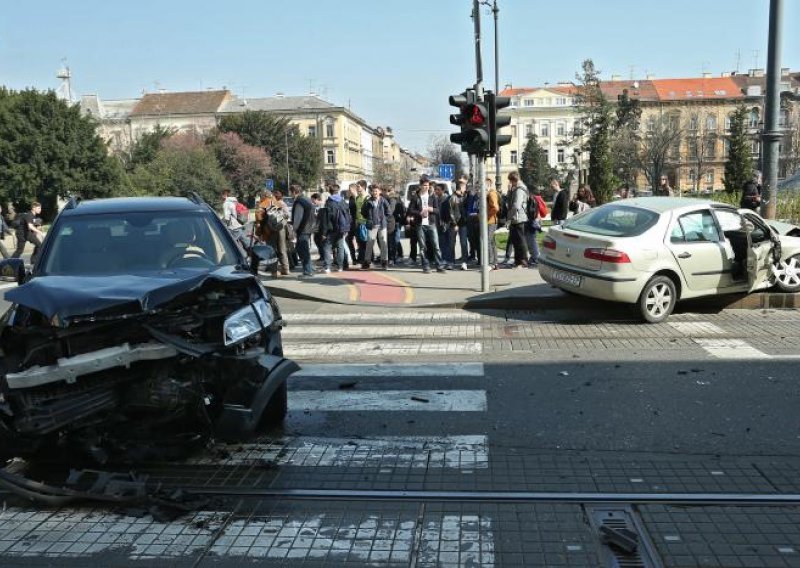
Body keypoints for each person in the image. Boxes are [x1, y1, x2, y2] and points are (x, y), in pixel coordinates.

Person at [407, 176, 446, 273]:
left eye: (428, 185)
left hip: (431, 223)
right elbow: (410, 210)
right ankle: (426, 265)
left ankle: (439, 265)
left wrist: (430, 209)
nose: (426, 187)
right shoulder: (415, 197)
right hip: (420, 224)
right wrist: (419, 213)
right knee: (422, 246)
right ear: (420, 186)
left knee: (436, 245)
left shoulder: (432, 196)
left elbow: (437, 210)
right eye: (424, 185)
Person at [361, 184, 391, 270]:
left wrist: (383, 218)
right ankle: (367, 262)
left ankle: (384, 262)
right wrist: (369, 219)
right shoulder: (367, 201)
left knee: (383, 243)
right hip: (372, 225)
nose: (375, 193)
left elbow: (389, 212)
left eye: (376, 191)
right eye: (373, 191)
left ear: (380, 191)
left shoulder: (383, 201)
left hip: (382, 225)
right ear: (371, 192)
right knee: (369, 243)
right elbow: (363, 212)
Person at [289, 185, 316, 278]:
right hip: (309, 227)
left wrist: (294, 230)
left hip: (303, 229)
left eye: (290, 192)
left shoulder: (299, 202)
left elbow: (298, 218)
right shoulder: (306, 199)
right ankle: (309, 268)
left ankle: (308, 271)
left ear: (294, 192)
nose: (290, 194)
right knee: (303, 249)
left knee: (302, 250)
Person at [323, 184, 350, 272]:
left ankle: (328, 267)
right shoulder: (343, 202)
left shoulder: (329, 202)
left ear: (330, 192)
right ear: (338, 191)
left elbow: (326, 218)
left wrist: (324, 231)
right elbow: (348, 215)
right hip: (342, 228)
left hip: (331, 229)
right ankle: (340, 266)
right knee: (340, 247)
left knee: (327, 247)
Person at [507, 171, 529, 268]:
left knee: (520, 241)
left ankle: (523, 261)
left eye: (511, 181)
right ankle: (517, 261)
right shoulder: (515, 189)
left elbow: (517, 205)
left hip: (519, 218)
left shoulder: (520, 189)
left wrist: (509, 216)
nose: (510, 183)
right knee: (515, 240)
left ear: (514, 180)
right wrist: (510, 191)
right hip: (515, 218)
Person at [486, 177, 500, 270]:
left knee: (488, 242)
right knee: (491, 242)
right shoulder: (488, 193)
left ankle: (491, 263)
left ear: (488, 184)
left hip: (491, 221)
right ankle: (495, 263)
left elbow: (496, 207)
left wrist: (486, 215)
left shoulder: (491, 193)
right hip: (489, 221)